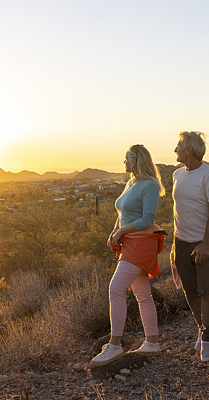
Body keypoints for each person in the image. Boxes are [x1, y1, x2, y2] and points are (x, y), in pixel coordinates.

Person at [90, 144, 166, 367]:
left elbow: (147, 219)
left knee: (116, 288)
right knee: (143, 294)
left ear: (137, 160)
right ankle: (152, 342)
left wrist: (122, 231)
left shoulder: (150, 186)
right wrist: (115, 230)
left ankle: (114, 345)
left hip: (141, 244)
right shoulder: (130, 183)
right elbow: (122, 213)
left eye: (127, 158)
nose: (124, 162)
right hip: (129, 243)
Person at [171, 131, 209, 362]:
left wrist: (205, 243)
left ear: (189, 150)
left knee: (206, 291)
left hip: (204, 243)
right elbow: (177, 212)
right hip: (180, 242)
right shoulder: (176, 175)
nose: (175, 150)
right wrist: (174, 246)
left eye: (179, 145)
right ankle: (202, 327)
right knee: (189, 291)